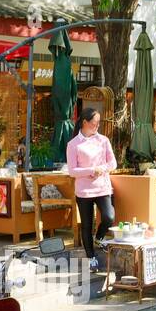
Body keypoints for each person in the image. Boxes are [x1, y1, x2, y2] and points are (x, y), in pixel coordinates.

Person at [65, 109, 117, 269]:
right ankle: (90, 257)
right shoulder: (73, 144)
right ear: (85, 122)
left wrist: (102, 169)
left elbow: (113, 163)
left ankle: (99, 237)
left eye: (98, 123)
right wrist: (91, 170)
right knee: (87, 225)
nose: (97, 126)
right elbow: (72, 171)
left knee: (109, 216)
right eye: (94, 123)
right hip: (84, 191)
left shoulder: (103, 140)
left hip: (102, 187)